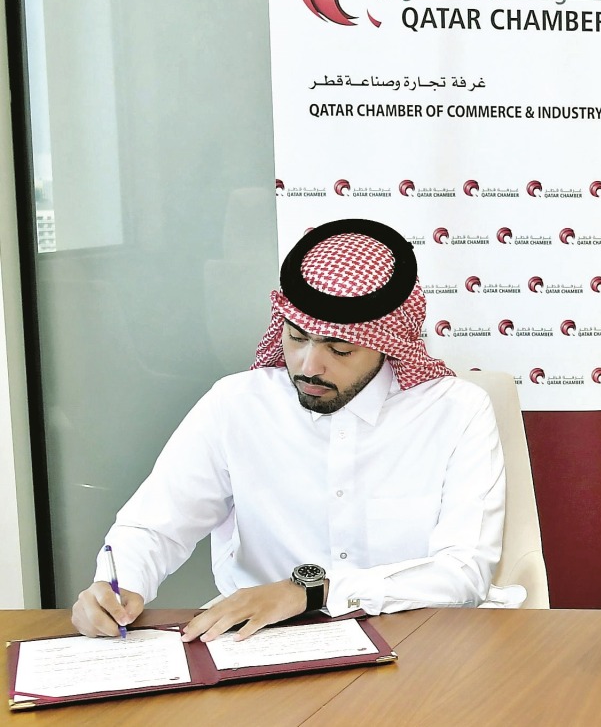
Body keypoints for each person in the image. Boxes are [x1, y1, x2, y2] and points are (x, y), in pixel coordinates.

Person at [72, 218, 505, 641]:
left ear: (387, 344)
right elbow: (155, 525)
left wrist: (311, 593)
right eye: (297, 339)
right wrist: (115, 586)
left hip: (419, 640)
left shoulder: (456, 411)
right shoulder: (236, 404)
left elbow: (464, 572)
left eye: (340, 349)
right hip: (258, 644)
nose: (309, 366)